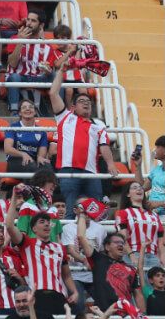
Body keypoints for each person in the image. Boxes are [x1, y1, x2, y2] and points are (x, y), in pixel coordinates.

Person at [49, 53, 120, 215]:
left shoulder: (98, 127)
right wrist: (62, 70)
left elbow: (104, 147)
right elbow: (53, 93)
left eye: (88, 102)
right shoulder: (64, 117)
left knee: (94, 212)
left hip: (91, 173)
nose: (87, 103)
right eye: (82, 101)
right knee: (70, 210)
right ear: (73, 107)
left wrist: (110, 164)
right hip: (69, 170)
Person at [5, 188, 77, 319]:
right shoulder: (27, 243)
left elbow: (66, 275)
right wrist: (14, 196)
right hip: (37, 296)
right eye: (41, 222)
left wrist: (74, 292)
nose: (46, 224)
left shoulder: (60, 248)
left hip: (59, 297)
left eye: (47, 222)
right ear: (33, 229)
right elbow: (9, 225)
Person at [5, 10, 56, 112]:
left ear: (41, 25)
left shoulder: (47, 47)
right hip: (19, 77)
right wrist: (21, 42)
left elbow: (48, 69)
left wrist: (47, 70)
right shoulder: (15, 39)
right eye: (28, 19)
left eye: (33, 21)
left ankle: (58, 110)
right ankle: (14, 111)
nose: (28, 23)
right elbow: (12, 64)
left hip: (37, 78)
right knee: (14, 77)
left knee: (55, 76)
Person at [115, 183, 164, 282]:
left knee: (153, 293)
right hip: (133, 255)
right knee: (136, 291)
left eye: (141, 187)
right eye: (134, 187)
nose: (139, 189)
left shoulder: (154, 215)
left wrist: (163, 258)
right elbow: (122, 238)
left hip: (153, 257)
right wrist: (131, 255)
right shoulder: (122, 213)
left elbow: (160, 243)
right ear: (128, 194)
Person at [4, 99, 50, 174]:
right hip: (15, 160)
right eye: (24, 107)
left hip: (33, 161)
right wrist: (23, 154)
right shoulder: (13, 127)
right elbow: (8, 149)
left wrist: (40, 157)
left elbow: (42, 153)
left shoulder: (41, 131)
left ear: (35, 112)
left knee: (47, 167)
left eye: (31, 107)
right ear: (19, 113)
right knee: (31, 166)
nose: (28, 109)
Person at [133, 135, 165, 216]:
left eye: (157, 147)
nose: (154, 150)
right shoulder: (157, 169)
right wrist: (138, 166)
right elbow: (141, 187)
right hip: (152, 215)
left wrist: (159, 204)